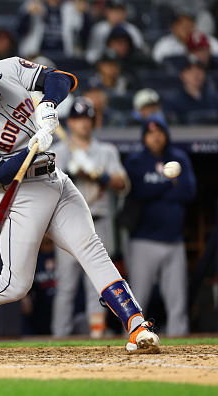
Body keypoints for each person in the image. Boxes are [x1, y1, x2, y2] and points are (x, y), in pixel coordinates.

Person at [0, 49, 160, 356]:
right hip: (19, 192)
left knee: (91, 248)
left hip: (55, 178)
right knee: (14, 284)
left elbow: (61, 78)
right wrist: (32, 148)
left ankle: (137, 325)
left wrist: (49, 105)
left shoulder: (8, 69)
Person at [50, 97, 129, 338]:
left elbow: (122, 183)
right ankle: (58, 337)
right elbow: (46, 189)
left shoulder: (106, 151)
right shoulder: (58, 151)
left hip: (98, 222)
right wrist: (72, 173)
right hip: (67, 224)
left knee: (99, 283)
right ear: (70, 123)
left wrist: (99, 175)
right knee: (66, 286)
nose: (83, 123)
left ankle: (97, 335)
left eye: (87, 119)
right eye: (78, 119)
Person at [123, 115, 197, 336]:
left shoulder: (179, 158)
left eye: (160, 132)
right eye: (150, 133)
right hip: (143, 241)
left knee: (178, 302)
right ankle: (132, 340)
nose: (155, 137)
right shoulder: (135, 161)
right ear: (144, 136)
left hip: (174, 241)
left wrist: (156, 186)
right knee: (136, 302)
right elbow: (140, 192)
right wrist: (169, 183)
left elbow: (189, 192)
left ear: (166, 134)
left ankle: (180, 345)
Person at [16, 0, 92, 59]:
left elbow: (82, 34)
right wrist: (28, 14)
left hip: (63, 54)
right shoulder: (33, 5)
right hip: (38, 54)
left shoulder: (70, 8)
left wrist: (83, 15)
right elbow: (20, 31)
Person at [85, 0, 146, 65]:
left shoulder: (132, 30)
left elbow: (139, 53)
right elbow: (90, 54)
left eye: (120, 11)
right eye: (114, 11)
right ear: (107, 12)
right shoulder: (98, 29)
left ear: (125, 12)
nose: (117, 14)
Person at [162, 55, 218, 124]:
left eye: (199, 70)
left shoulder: (215, 99)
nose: (195, 74)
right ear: (182, 75)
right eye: (190, 71)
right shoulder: (172, 101)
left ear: (204, 74)